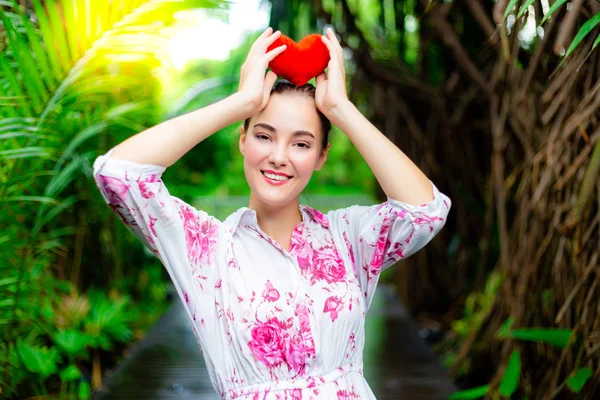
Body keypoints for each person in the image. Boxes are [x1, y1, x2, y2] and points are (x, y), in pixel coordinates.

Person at [93, 27, 451, 400]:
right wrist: (240, 102)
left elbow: (425, 212)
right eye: (264, 135)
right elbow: (117, 174)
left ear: (321, 155)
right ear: (243, 139)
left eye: (301, 143)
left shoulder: (349, 237)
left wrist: (341, 110)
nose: (279, 156)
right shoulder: (205, 247)